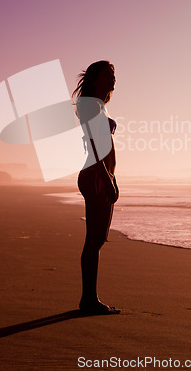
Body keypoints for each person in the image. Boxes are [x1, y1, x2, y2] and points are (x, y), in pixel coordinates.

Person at [73, 60, 120, 315]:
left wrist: (113, 176)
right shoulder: (90, 106)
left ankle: (89, 298)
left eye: (114, 75)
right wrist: (107, 177)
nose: (113, 79)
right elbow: (93, 145)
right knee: (94, 239)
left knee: (98, 238)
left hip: (101, 175)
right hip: (95, 176)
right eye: (108, 74)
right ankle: (88, 300)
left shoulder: (98, 107)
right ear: (94, 78)